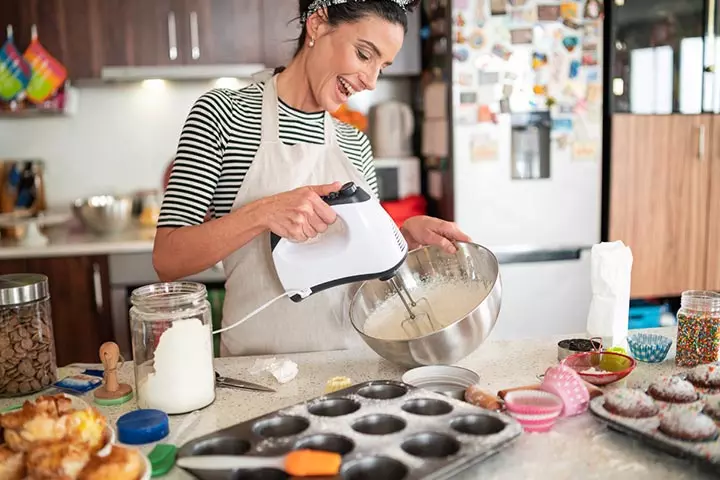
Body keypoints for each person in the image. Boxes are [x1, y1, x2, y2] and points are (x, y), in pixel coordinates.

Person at [153, 0, 472, 357]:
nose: (370, 81)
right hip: (256, 373)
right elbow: (168, 259)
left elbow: (362, 264)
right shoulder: (223, 115)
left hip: (353, 366)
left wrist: (403, 238)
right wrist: (264, 213)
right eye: (364, 54)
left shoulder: (355, 142)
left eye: (382, 67)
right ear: (317, 24)